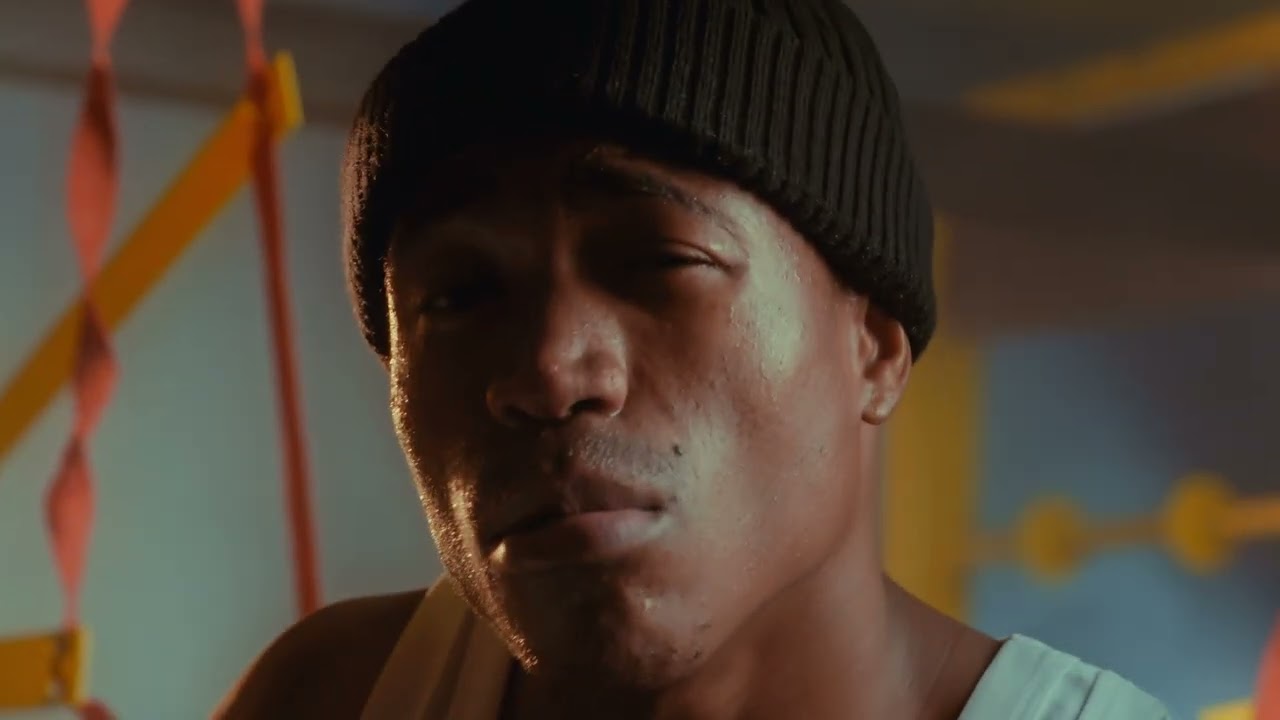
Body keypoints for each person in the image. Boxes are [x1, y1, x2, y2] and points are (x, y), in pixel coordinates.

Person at [217, 0, 1171, 717]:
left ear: (875, 348)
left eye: (661, 262)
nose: (548, 370)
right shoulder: (338, 694)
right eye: (457, 297)